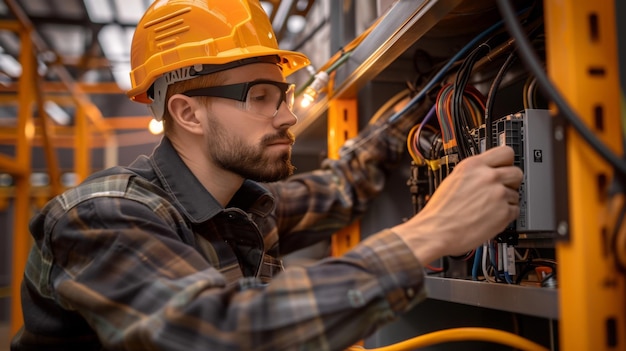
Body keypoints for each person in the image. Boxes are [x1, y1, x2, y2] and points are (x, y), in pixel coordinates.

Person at [11, 0, 523, 350]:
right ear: (188, 114)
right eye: (261, 98)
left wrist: (412, 118)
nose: (288, 116)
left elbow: (337, 189)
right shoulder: (100, 218)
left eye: (283, 96)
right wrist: (431, 233)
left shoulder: (241, 207)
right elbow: (219, 334)